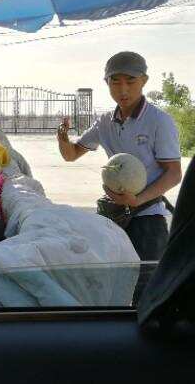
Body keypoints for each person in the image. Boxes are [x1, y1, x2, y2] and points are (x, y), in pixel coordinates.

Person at [56, 51, 182, 261]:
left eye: (130, 81)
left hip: (148, 218)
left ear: (144, 81)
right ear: (107, 83)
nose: (123, 90)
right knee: (110, 283)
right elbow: (71, 155)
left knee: (147, 286)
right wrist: (62, 137)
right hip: (112, 215)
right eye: (115, 82)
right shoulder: (105, 122)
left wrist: (137, 199)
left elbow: (174, 174)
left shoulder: (159, 121)